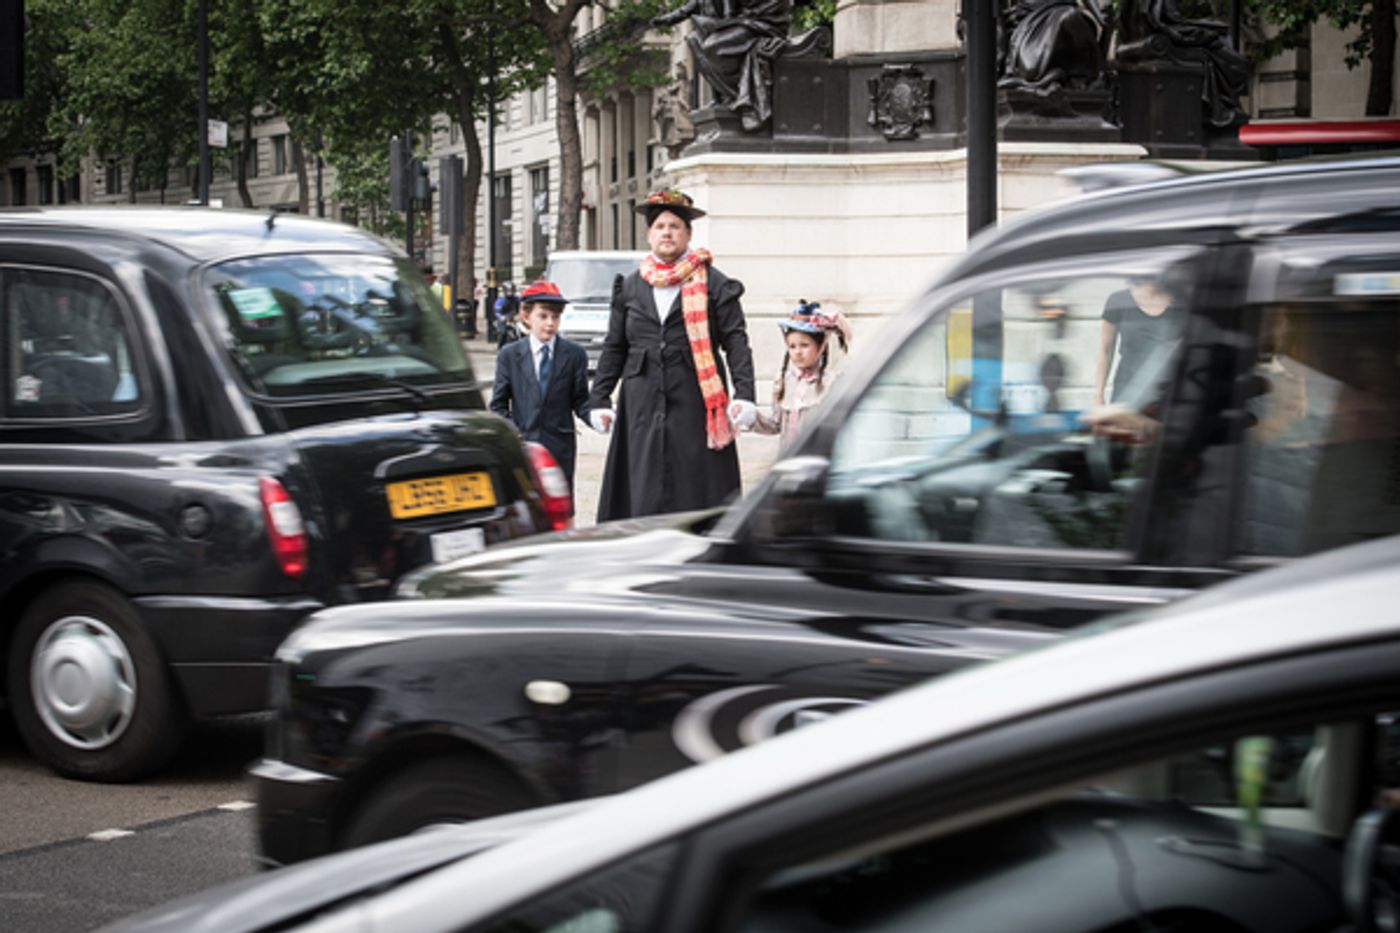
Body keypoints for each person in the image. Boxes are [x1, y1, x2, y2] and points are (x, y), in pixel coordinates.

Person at [589, 188, 757, 521]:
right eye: (660, 226)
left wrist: (745, 394)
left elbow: (736, 341)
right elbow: (615, 346)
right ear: (649, 234)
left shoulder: (716, 284)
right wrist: (599, 398)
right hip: (641, 401)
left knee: (695, 479)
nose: (667, 233)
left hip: (696, 400)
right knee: (642, 480)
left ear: (688, 234)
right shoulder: (630, 286)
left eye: (675, 226)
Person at [489, 280, 593, 495]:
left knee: (560, 502)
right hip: (524, 445)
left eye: (555, 317)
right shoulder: (510, 355)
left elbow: (581, 400)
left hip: (560, 446)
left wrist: (597, 416)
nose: (550, 323)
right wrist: (515, 434)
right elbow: (498, 405)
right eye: (543, 316)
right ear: (526, 317)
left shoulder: (574, 354)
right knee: (527, 501)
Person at [753, 300, 852, 451]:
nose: (798, 352)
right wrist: (751, 417)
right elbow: (775, 424)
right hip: (789, 459)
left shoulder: (830, 383)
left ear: (821, 347)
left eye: (804, 345)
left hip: (815, 457)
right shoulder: (783, 381)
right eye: (792, 346)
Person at [1093, 277, 1182, 406]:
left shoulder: (1181, 302)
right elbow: (1105, 350)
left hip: (1169, 394)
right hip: (1128, 392)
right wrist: (1098, 396)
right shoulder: (1119, 300)